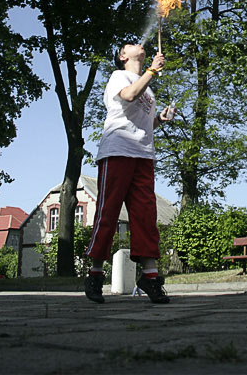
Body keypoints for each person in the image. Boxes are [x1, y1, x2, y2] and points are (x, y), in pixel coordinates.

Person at [84, 42, 174, 305]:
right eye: (131, 44)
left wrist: (160, 120)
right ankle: (95, 274)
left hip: (143, 156)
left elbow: (142, 123)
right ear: (123, 56)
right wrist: (153, 71)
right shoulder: (118, 77)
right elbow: (128, 96)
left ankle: (150, 277)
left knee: (146, 216)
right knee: (108, 213)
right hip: (118, 151)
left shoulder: (148, 85)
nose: (139, 44)